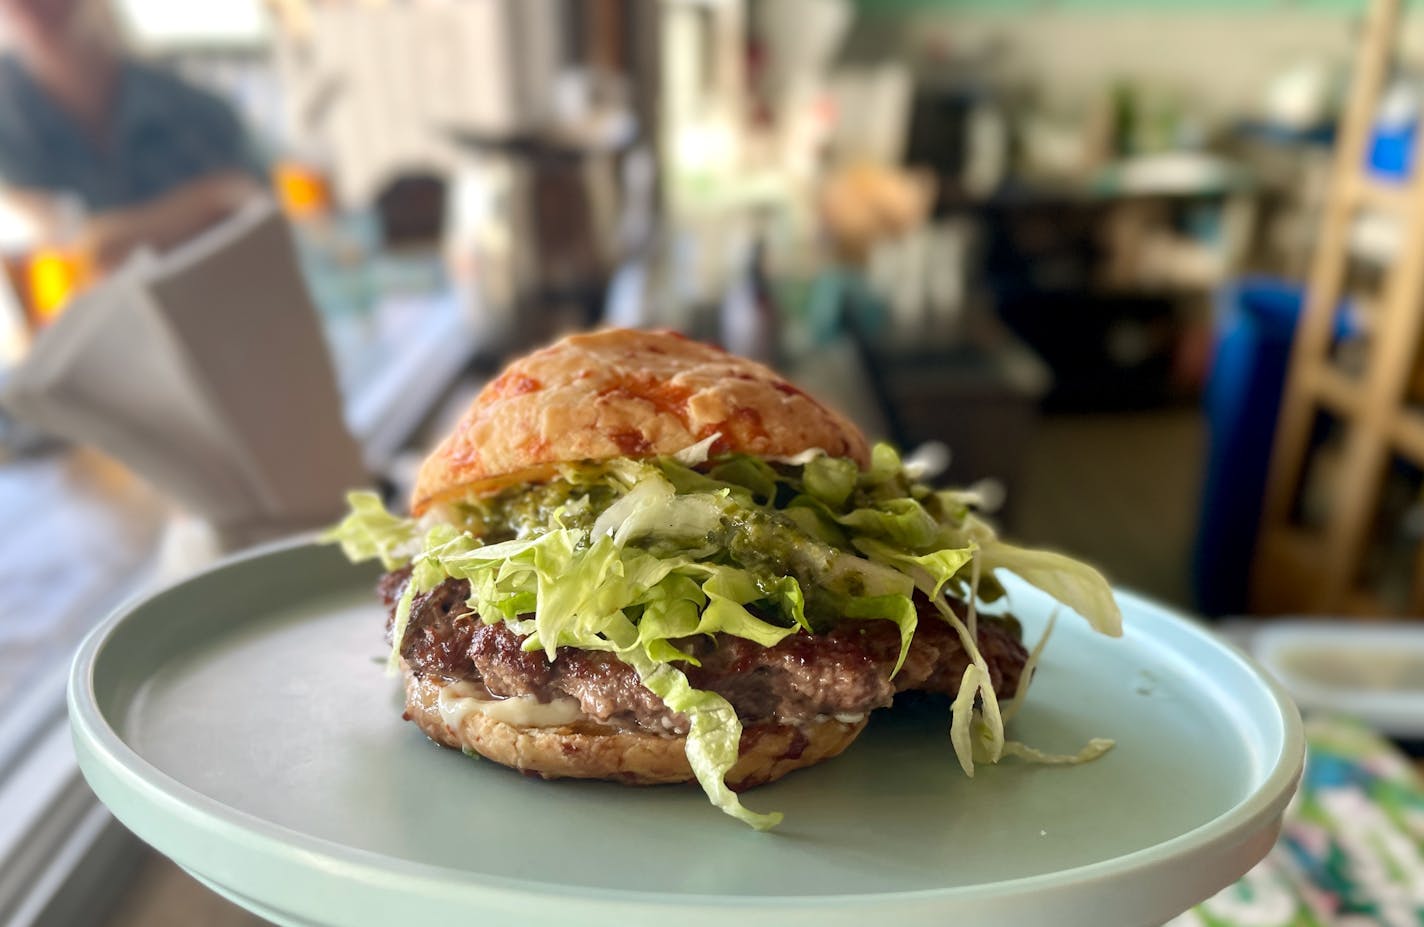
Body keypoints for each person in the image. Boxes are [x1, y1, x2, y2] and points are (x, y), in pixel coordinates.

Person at [0, 0, 265, 273]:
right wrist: (199, 205)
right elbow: (67, 243)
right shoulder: (9, 128)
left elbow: (252, 202)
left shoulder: (194, 109)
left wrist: (112, 237)